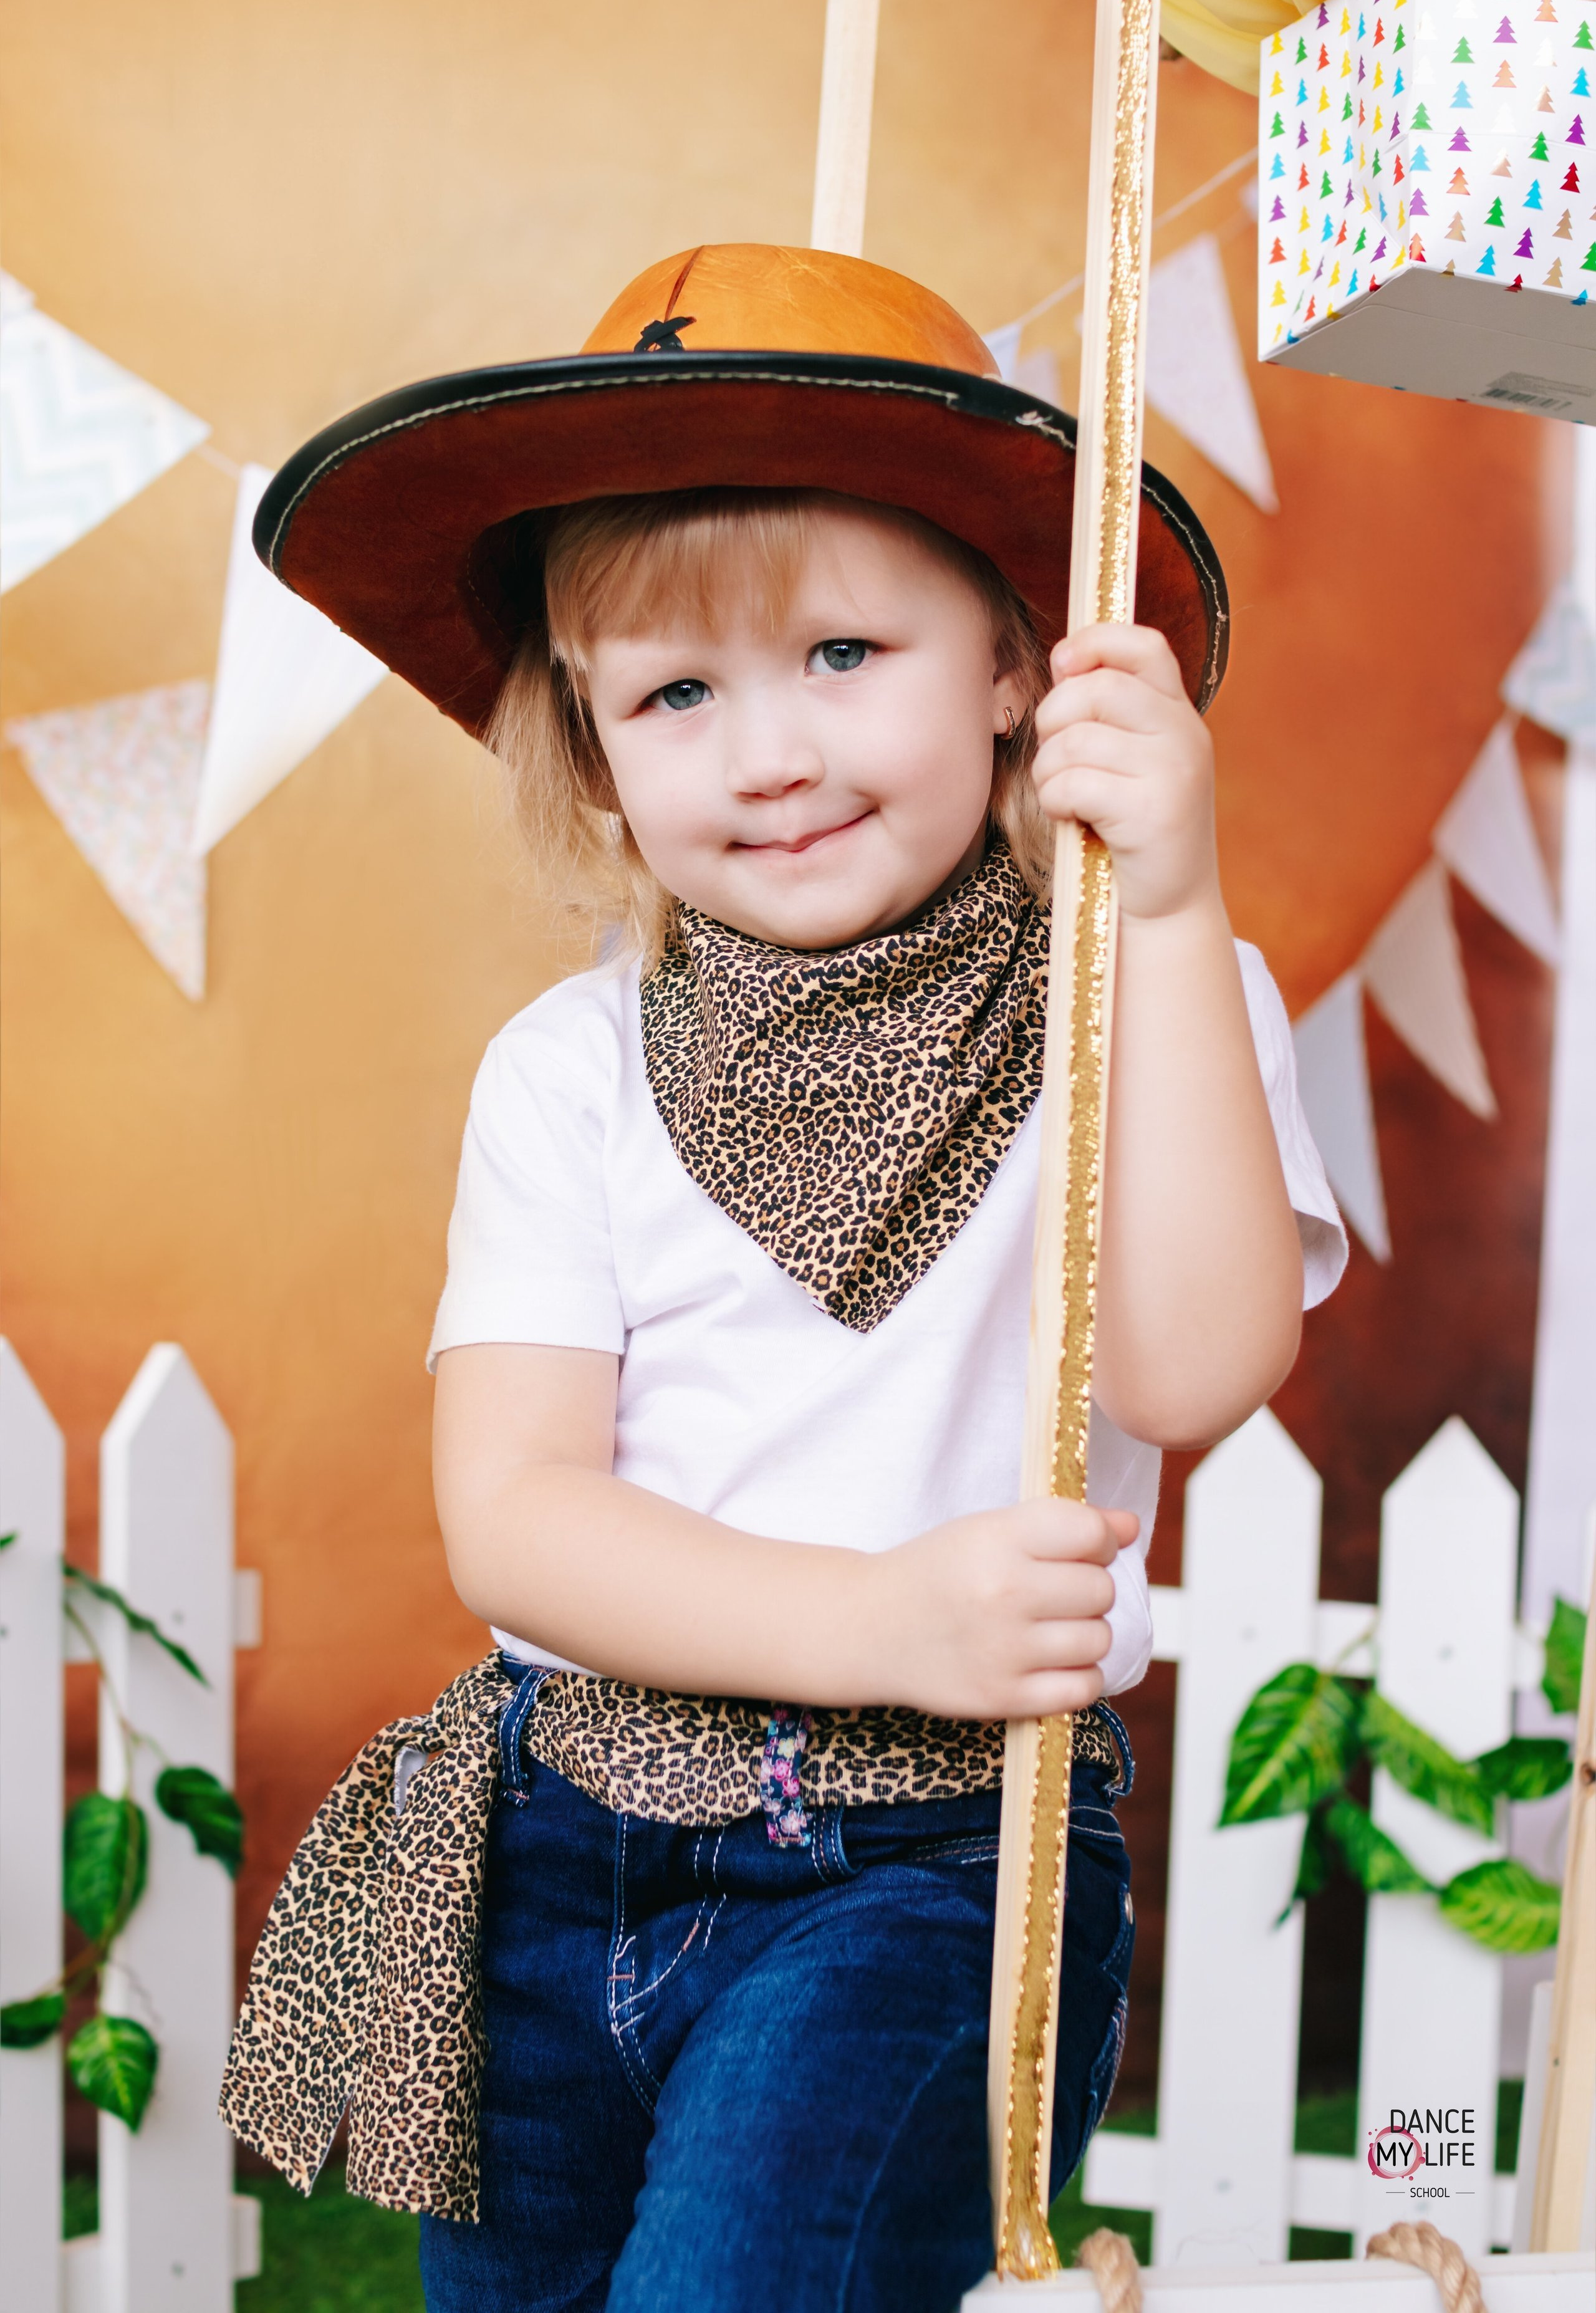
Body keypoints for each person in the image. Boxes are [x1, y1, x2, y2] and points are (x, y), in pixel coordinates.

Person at [221, 244, 1345, 2313]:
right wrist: (878, 1613)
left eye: (842, 651)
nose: (762, 752)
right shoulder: (572, 1069)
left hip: (925, 1874)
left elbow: (1195, 1368)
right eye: (675, 692)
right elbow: (518, 1518)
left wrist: (1171, 921)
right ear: (592, 743)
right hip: (566, 1849)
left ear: (1021, 660)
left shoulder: (1139, 1000)